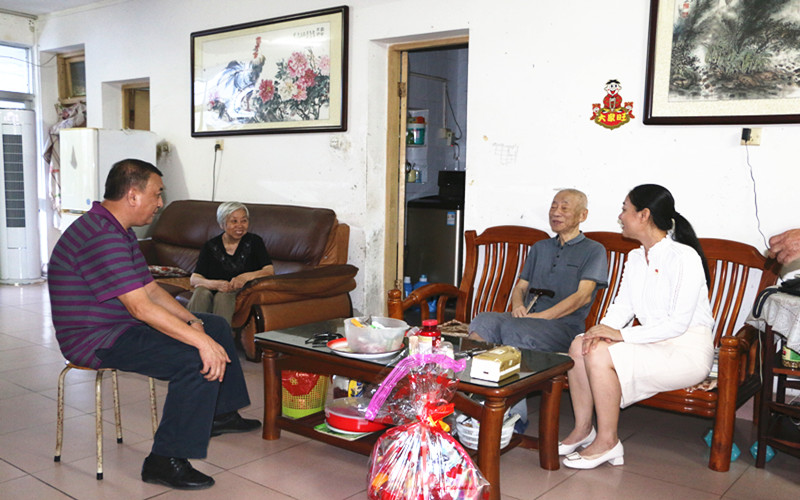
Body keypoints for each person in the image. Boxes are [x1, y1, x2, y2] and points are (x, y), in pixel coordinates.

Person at [48, 159, 260, 490]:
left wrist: (192, 320)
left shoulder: (119, 230)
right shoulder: (102, 235)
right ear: (133, 195)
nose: (160, 203)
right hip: (96, 338)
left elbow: (149, 289)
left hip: (120, 324)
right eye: (157, 194)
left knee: (215, 326)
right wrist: (200, 342)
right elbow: (140, 307)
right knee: (195, 358)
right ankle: (164, 460)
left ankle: (220, 413)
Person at [559, 184, 714, 470]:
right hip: (652, 342)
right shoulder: (635, 257)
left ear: (644, 215)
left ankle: (608, 442)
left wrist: (619, 335)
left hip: (686, 350)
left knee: (599, 353)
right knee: (581, 345)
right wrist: (600, 331)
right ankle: (583, 430)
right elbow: (623, 306)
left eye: (625, 209)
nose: (620, 216)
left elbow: (677, 324)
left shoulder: (684, 257)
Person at [468, 189, 608, 353]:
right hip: (526, 319)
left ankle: (515, 367)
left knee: (517, 328)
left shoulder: (593, 250)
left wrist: (542, 316)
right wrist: (518, 306)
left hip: (563, 326)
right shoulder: (540, 247)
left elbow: (582, 297)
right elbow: (521, 287)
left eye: (564, 208)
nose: (556, 213)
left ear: (582, 215)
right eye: (553, 207)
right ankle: (477, 365)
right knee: (484, 321)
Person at [186, 201, 274, 325]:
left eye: (244, 221)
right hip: (214, 288)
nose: (240, 226)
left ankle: (220, 336)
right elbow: (194, 278)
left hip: (241, 292)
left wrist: (245, 277)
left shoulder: (255, 242)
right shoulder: (210, 246)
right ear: (222, 224)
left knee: (223, 296)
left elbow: (269, 271)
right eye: (234, 221)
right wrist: (215, 284)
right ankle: (192, 333)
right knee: (201, 292)